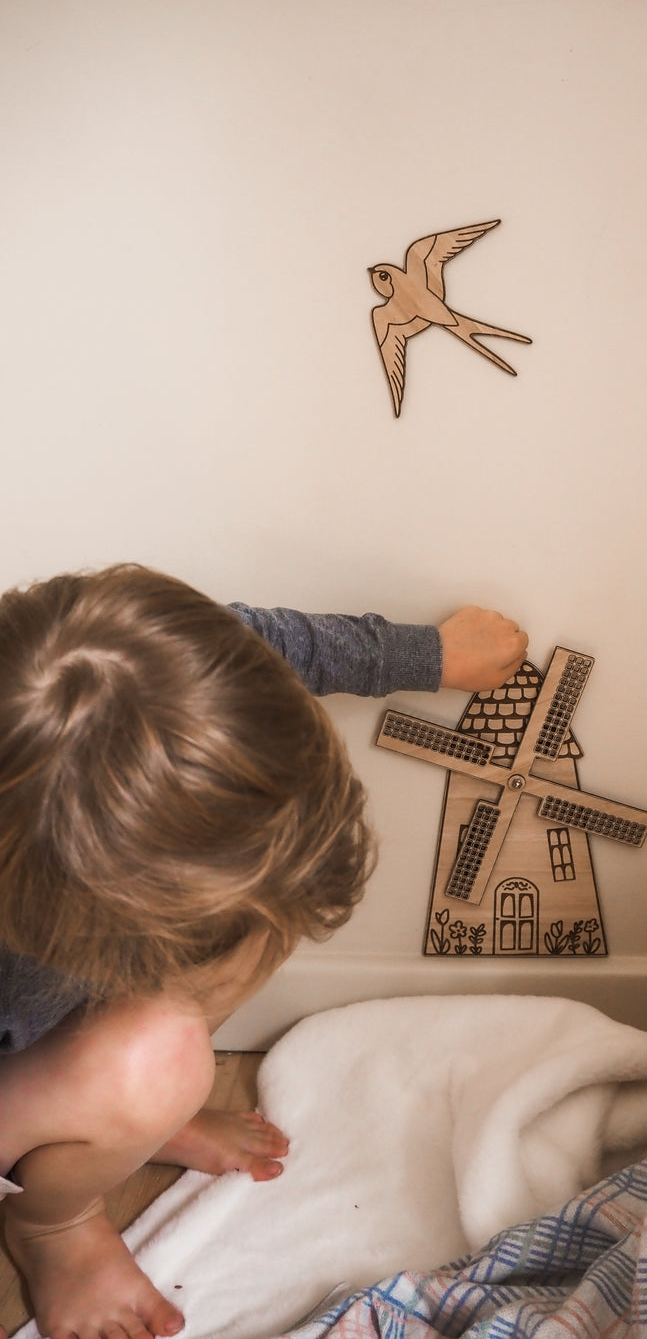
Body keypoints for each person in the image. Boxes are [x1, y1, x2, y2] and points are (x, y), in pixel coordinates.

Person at [0, 563, 527, 1339]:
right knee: (168, 1063)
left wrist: (426, 656)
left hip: (54, 1004)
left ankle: (118, 1127)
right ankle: (55, 1219)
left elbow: (276, 645)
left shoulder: (136, 674)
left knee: (169, 1061)